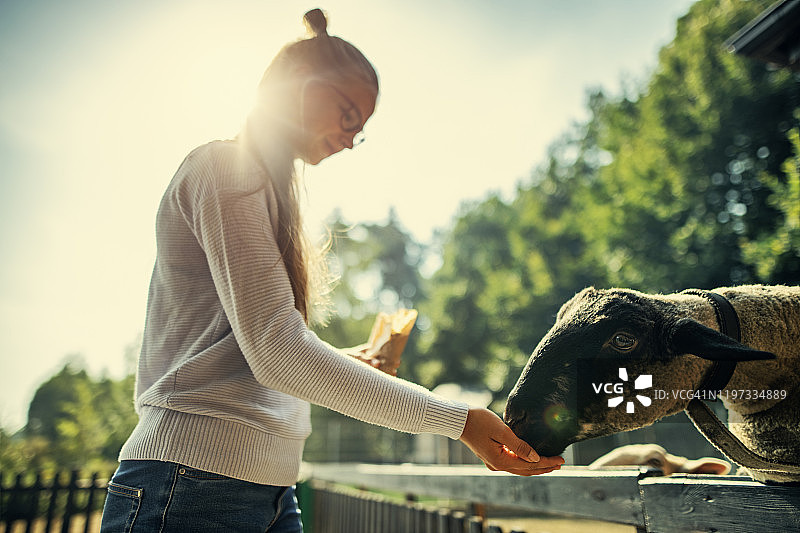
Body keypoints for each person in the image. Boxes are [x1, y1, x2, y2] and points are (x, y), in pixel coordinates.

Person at [100, 8, 563, 533]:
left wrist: (346, 361)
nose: (349, 139)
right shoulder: (224, 170)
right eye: (348, 115)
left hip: (272, 488)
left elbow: (254, 358)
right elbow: (278, 354)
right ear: (298, 83)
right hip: (188, 485)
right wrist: (458, 422)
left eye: (360, 130)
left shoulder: (270, 193)